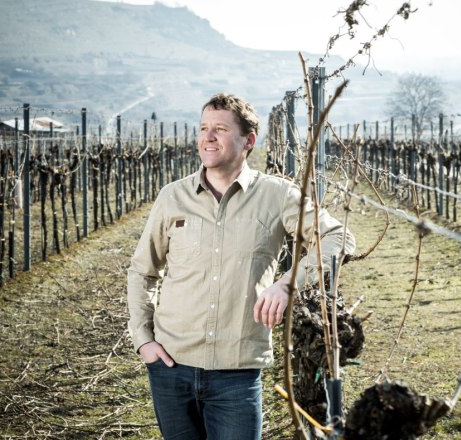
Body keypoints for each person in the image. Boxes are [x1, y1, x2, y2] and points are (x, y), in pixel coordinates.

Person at [126, 92, 355, 440]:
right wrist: (144, 341)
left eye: (220, 128)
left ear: (249, 140)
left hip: (237, 372)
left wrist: (289, 282)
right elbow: (143, 271)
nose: (208, 137)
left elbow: (339, 238)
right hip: (170, 366)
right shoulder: (172, 196)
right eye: (203, 128)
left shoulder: (277, 195)